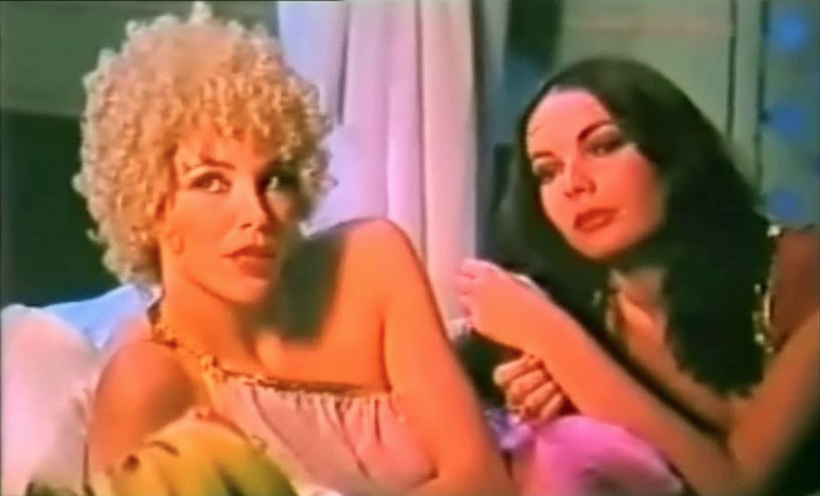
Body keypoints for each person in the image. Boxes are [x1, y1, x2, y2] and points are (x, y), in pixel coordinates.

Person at [25, 3, 514, 495]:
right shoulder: (147, 383)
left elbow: (486, 482)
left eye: (274, 180)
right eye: (211, 182)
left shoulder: (373, 265)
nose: (256, 214)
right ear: (149, 205)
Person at [456, 57, 819, 496]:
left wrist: (552, 338)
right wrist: (537, 390)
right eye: (547, 172)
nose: (573, 184)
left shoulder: (801, 273)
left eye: (603, 146)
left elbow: (736, 485)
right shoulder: (571, 296)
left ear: (672, 154)